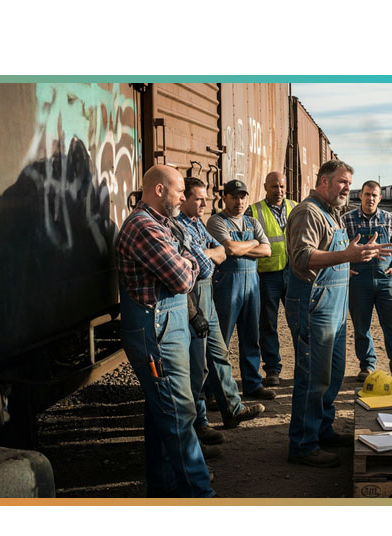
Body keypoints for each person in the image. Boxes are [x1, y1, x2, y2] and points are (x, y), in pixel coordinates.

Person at [114, 164, 214, 497]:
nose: (183, 198)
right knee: (178, 413)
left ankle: (164, 491)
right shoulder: (144, 227)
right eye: (178, 192)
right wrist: (188, 261)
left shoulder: (162, 224)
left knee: (162, 412)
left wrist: (188, 260)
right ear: (159, 190)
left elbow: (193, 260)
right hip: (155, 332)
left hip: (167, 327)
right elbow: (185, 277)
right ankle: (199, 496)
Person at [285, 160, 392, 468]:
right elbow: (303, 257)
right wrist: (347, 255)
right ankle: (303, 445)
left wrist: (353, 260)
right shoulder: (308, 212)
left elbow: (334, 254)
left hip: (333, 303)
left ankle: (322, 430)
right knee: (312, 376)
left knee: (331, 374)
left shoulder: (332, 213)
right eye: (342, 182)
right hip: (313, 303)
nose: (347, 188)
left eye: (348, 183)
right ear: (323, 182)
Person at [176, 177, 266, 444]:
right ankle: (199, 423)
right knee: (197, 364)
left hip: (210, 292)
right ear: (184, 199)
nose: (205, 203)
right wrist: (219, 252)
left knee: (218, 353)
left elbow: (221, 254)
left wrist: (224, 251)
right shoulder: (180, 226)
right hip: (194, 295)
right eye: (199, 199)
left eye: (206, 198)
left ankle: (233, 410)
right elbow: (215, 255)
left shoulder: (198, 225)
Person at [206, 179, 276, 401]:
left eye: (243, 197)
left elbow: (268, 251)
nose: (239, 201)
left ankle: (252, 384)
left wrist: (247, 247)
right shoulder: (217, 221)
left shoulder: (252, 222)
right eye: (234, 196)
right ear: (224, 198)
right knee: (220, 341)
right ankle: (214, 391)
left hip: (252, 285)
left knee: (251, 337)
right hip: (227, 285)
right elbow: (230, 249)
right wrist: (253, 243)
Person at [342, 180, 392, 385]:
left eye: (374, 195)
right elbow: (337, 248)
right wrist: (345, 268)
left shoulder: (389, 219)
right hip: (358, 281)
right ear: (361, 196)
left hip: (385, 280)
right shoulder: (347, 220)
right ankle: (367, 366)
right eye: (367, 194)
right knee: (361, 326)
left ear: (379, 198)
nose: (370, 198)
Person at [249, 171, 298, 387]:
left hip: (295, 273)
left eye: (282, 187)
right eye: (274, 187)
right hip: (267, 275)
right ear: (265, 187)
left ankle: (304, 367)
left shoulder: (296, 207)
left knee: (299, 323)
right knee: (268, 323)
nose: (279, 191)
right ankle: (272, 369)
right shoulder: (254, 211)